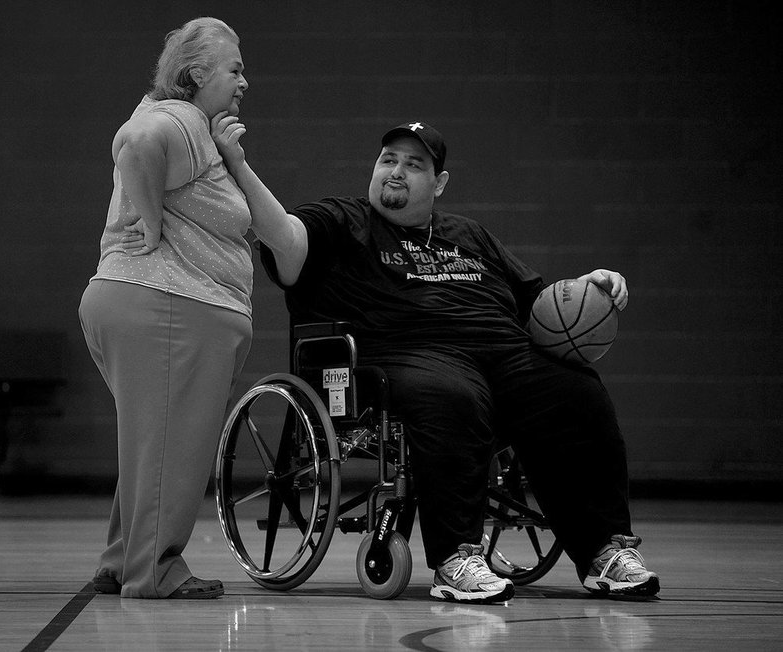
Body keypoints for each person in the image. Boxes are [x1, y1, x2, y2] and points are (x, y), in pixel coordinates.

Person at [209, 116, 661, 604]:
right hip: (405, 358)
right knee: (453, 395)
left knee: (577, 391)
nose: (396, 171)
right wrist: (237, 163)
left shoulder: (469, 235)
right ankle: (456, 558)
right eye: (388, 160)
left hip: (504, 356)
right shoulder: (343, 222)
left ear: (439, 182)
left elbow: (541, 303)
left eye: (414, 164)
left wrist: (591, 286)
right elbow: (284, 237)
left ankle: (604, 552)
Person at [78, 17, 282, 599]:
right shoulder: (182, 118)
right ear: (196, 75)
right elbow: (134, 143)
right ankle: (155, 570)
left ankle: (123, 560)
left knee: (153, 443)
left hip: (146, 307)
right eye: (235, 69)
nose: (245, 81)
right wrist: (148, 217)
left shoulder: (185, 122)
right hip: (168, 307)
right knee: (174, 448)